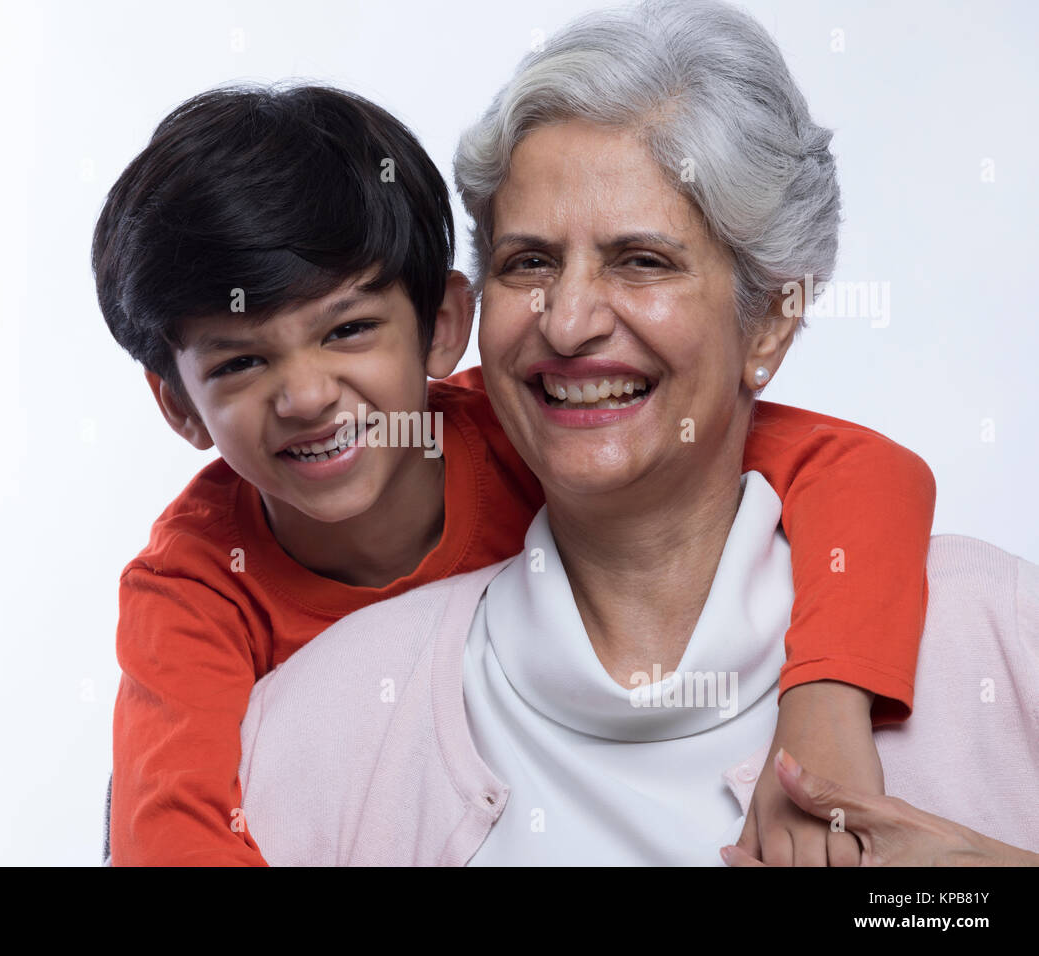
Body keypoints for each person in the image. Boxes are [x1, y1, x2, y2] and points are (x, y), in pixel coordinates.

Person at [231, 0, 1039, 865]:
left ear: (768, 322)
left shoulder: (997, 632)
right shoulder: (320, 726)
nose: (569, 321)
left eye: (641, 260)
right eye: (528, 262)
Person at [95, 80, 935, 867]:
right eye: (241, 363)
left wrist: (825, 701)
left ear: (443, 327)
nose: (308, 397)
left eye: (348, 330)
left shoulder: (544, 426)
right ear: (178, 406)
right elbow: (166, 837)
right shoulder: (193, 590)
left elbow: (857, 468)